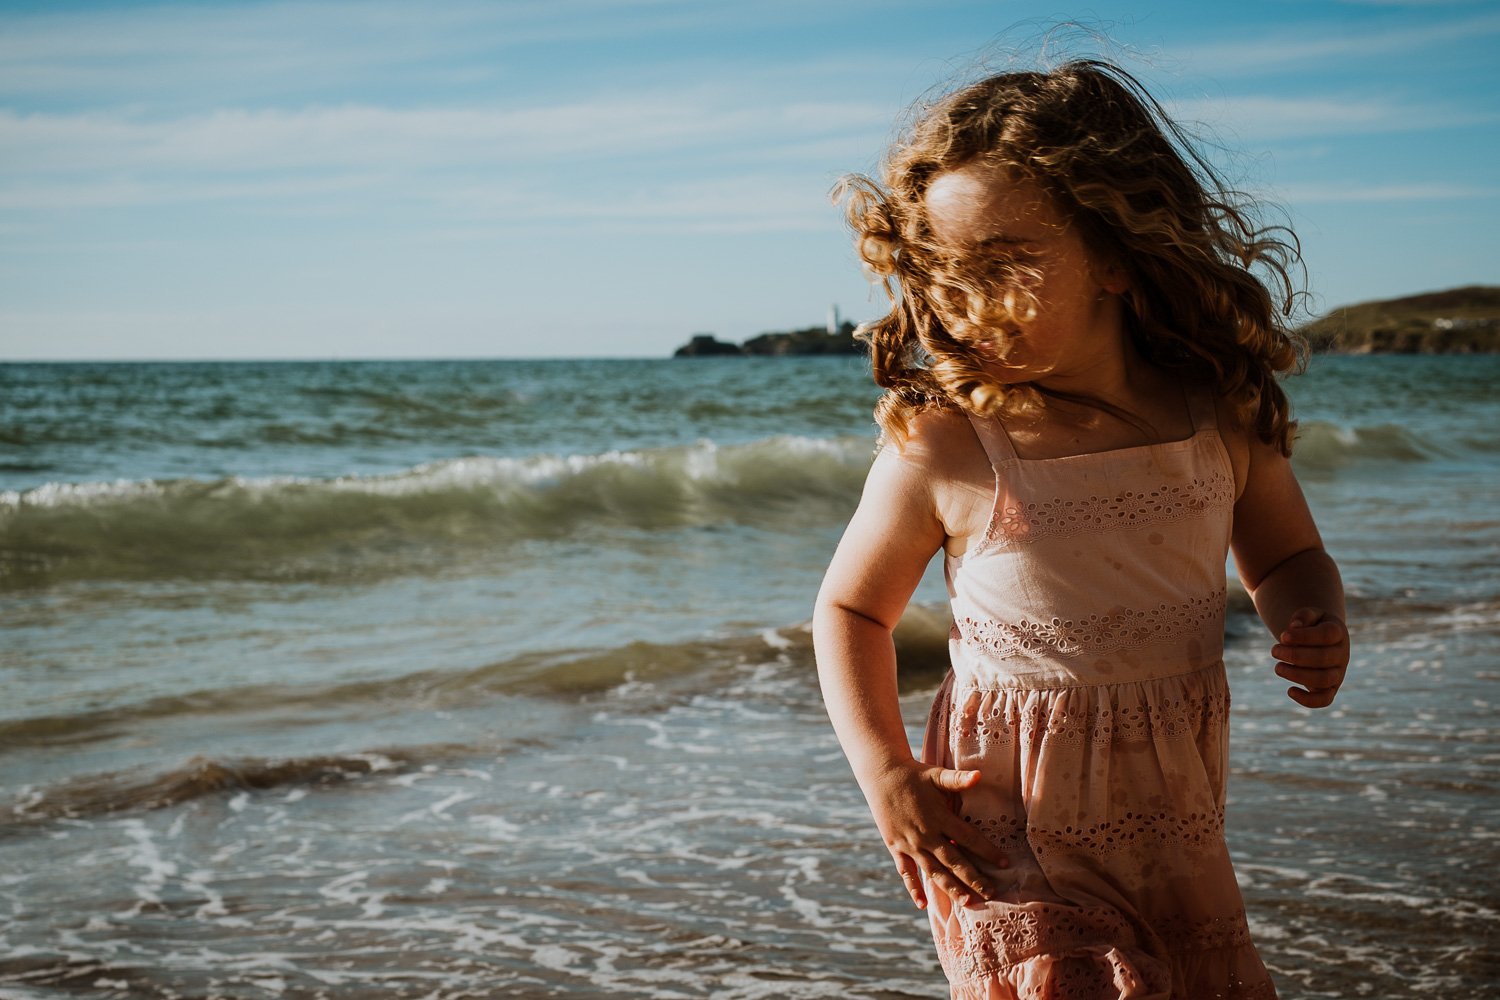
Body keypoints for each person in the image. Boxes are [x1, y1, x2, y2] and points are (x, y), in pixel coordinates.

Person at [812, 59, 1350, 1000]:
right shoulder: (950, 444)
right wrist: (885, 775)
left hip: (1170, 812)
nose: (956, 301)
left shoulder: (1216, 416)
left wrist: (1308, 616)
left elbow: (1289, 554)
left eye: (998, 264)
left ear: (1115, 254)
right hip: (1001, 823)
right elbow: (851, 609)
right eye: (940, 271)